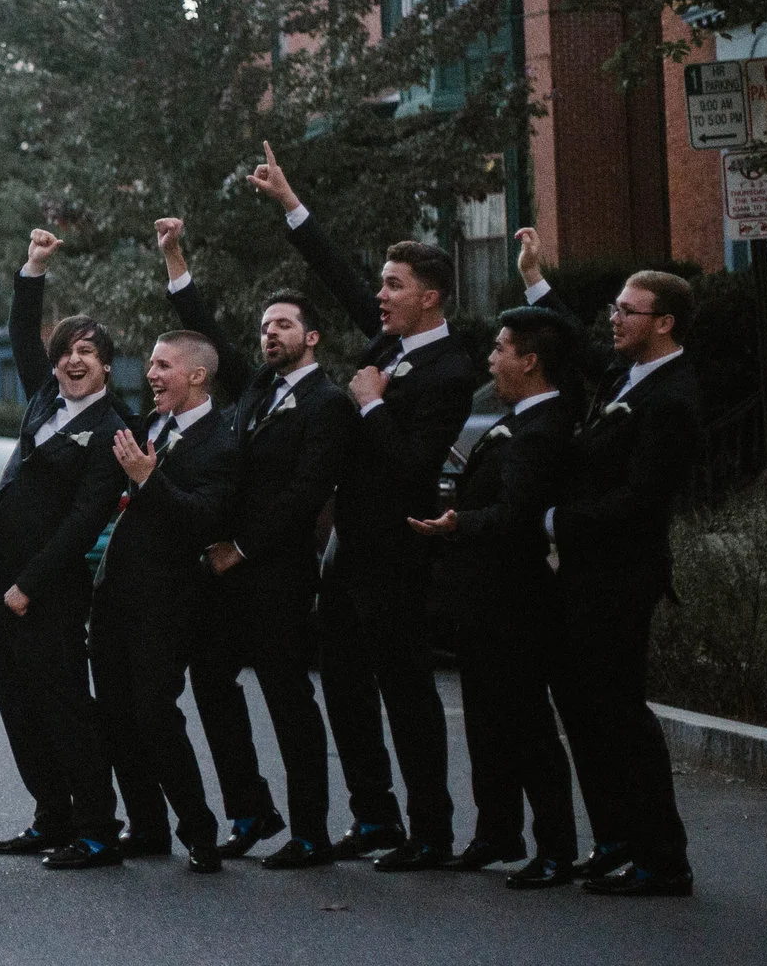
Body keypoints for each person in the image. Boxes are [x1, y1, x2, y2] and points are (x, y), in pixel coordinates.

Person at [252, 142, 474, 870]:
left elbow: (415, 464)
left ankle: (431, 831)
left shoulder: (449, 368)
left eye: (394, 284)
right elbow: (340, 278)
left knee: (406, 694)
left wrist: (373, 406)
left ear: (430, 293)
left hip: (400, 551)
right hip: (351, 549)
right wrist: (291, 203)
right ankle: (373, 815)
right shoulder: (393, 342)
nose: (380, 294)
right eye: (382, 283)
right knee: (345, 686)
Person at [159, 216, 355, 870]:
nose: (271, 332)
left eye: (284, 325)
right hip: (228, 571)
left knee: (287, 696)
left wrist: (242, 546)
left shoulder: (327, 403)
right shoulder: (256, 389)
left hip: (277, 570)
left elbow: (307, 491)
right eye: (266, 325)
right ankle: (250, 808)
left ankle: (311, 832)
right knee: (210, 678)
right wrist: (175, 259)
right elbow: (207, 336)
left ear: (312, 336)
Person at [518, 241, 701, 897]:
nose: (615, 319)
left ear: (664, 323)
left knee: (621, 712)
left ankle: (662, 855)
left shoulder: (672, 399)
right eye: (616, 307)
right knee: (586, 709)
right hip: (586, 575)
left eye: (628, 310)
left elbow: (640, 499)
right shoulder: (628, 374)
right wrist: (537, 282)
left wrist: (555, 521)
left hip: (623, 576)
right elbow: (582, 347)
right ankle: (618, 837)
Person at [0, 228, 136, 870]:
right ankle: (51, 815)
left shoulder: (111, 429)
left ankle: (98, 828)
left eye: (87, 353)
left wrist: (28, 586)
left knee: (65, 707)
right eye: (66, 350)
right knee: (17, 704)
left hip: (50, 588)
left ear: (105, 365)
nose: (73, 361)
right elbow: (20, 335)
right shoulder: (44, 398)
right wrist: (32, 269)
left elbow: (84, 522)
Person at [408, 303, 582, 888]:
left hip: (516, 599)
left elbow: (518, 515)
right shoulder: (516, 419)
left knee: (527, 725)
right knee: (485, 722)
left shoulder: (545, 426)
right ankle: (497, 830)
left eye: (502, 349)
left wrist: (459, 525)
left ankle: (556, 847)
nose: (491, 358)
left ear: (530, 361)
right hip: (481, 598)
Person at [92, 332, 242, 874]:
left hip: (168, 601)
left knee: (155, 714)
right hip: (114, 596)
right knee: (114, 715)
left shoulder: (221, 444)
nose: (151, 375)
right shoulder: (147, 424)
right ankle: (147, 826)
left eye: (163, 366)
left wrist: (149, 479)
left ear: (197, 375)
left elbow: (201, 521)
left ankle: (199, 832)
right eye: (152, 365)